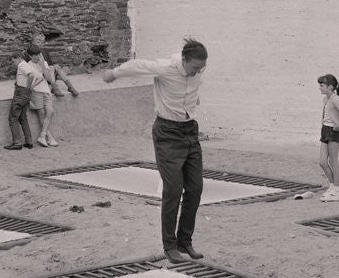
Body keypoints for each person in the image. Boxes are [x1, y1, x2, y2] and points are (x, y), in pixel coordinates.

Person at [102, 38, 207, 263]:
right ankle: (169, 245)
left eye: (201, 68)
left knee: (196, 188)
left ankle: (184, 241)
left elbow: (192, 92)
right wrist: (114, 73)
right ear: (184, 60)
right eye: (195, 67)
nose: (198, 72)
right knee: (173, 189)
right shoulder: (166, 68)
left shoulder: (196, 72)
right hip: (167, 133)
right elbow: (138, 66)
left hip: (190, 131)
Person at [317, 74, 339, 202]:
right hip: (325, 130)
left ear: (330, 87)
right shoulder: (326, 99)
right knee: (322, 162)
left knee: (333, 161)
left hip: (333, 131)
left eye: (322, 86)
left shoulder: (335, 99)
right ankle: (331, 186)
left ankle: (336, 190)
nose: (319, 88)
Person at [30, 32, 80, 98]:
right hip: (39, 74)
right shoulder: (29, 52)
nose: (40, 43)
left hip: (49, 74)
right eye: (38, 41)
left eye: (41, 42)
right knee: (51, 67)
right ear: (32, 42)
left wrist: (51, 69)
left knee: (56, 66)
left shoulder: (44, 51)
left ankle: (70, 87)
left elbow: (50, 64)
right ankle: (54, 88)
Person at [4, 51, 37, 150]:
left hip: (21, 94)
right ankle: (29, 141)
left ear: (18, 58)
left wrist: (27, 88)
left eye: (14, 61)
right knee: (23, 118)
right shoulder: (26, 65)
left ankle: (17, 142)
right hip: (25, 95)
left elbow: (31, 75)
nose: (13, 64)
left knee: (13, 118)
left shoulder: (21, 65)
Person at [29, 46, 58, 147]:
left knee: (50, 112)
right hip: (36, 92)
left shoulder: (43, 63)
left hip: (46, 91)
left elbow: (49, 79)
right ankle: (49, 138)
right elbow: (31, 82)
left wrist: (42, 66)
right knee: (41, 115)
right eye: (35, 55)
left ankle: (42, 136)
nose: (37, 57)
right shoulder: (28, 66)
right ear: (30, 56)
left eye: (39, 54)